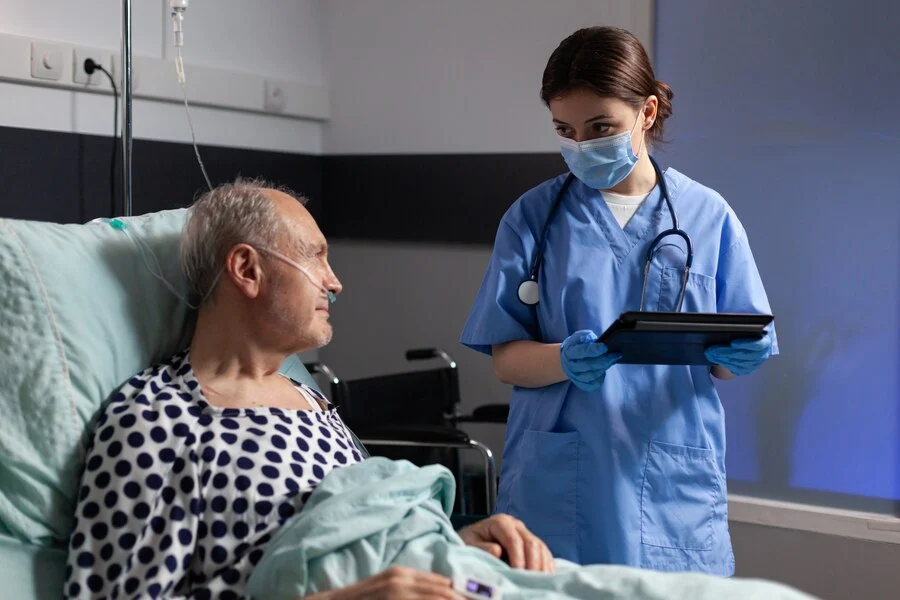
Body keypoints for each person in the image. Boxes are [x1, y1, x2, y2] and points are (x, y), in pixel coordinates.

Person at [63, 178, 554, 600]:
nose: (334, 282)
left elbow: (364, 539)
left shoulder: (311, 402)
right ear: (247, 270)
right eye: (316, 257)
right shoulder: (158, 422)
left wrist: (456, 547)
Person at [459, 27, 778, 576]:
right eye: (566, 130)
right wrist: (562, 358)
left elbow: (728, 359)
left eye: (601, 127)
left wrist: (735, 357)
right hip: (562, 478)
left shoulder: (709, 216)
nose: (582, 145)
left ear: (647, 112)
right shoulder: (533, 219)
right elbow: (507, 357)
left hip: (671, 474)